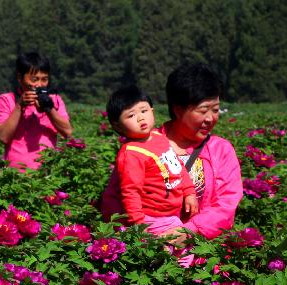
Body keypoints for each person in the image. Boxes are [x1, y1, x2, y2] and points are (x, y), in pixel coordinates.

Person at [101, 63, 243, 240]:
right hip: (149, 244)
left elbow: (226, 204)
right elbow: (114, 199)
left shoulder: (220, 150)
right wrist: (136, 237)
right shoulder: (143, 146)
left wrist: (191, 231)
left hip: (205, 249)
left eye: (215, 110)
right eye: (203, 110)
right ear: (178, 109)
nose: (210, 118)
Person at [106, 85, 198, 235]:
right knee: (179, 254)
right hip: (153, 218)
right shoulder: (131, 153)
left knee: (179, 251)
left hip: (172, 212)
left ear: (152, 111)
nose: (141, 117)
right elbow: (131, 192)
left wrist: (189, 192)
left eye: (144, 111)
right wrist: (139, 225)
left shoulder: (158, 136)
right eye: (131, 115)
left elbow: (178, 166)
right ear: (117, 125)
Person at [0, 52, 73, 171]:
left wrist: (48, 109)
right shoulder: (7, 100)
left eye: (44, 79)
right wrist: (19, 106)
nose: (39, 85)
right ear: (19, 78)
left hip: (48, 174)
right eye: (34, 79)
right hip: (15, 175)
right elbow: (4, 137)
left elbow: (67, 132)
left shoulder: (55, 100)